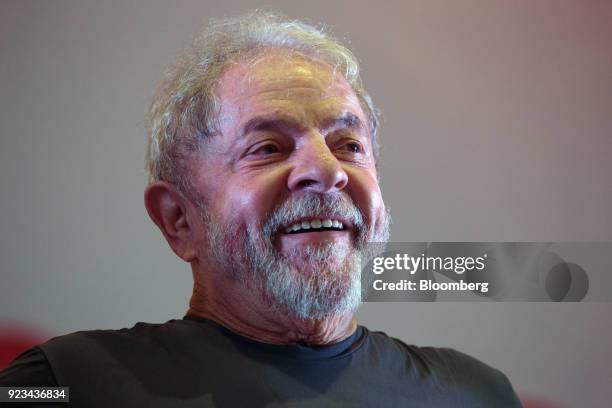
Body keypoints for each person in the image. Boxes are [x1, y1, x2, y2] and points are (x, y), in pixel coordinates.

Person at [0, 11, 522, 407]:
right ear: (180, 219)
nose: (327, 170)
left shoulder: (478, 393)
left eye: (348, 145)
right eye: (268, 148)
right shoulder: (61, 386)